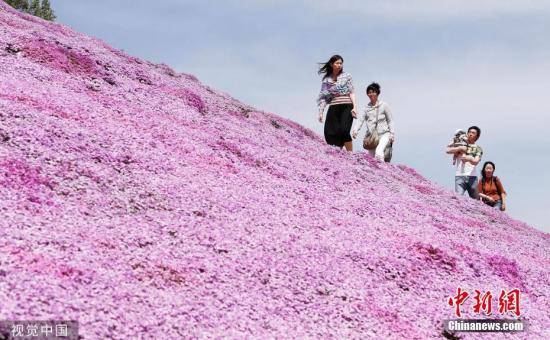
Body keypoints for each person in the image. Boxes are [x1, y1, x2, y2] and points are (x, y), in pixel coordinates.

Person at [317, 55, 358, 151]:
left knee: (344, 130)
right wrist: (321, 112)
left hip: (347, 106)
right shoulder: (327, 80)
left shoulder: (347, 76)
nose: (339, 65)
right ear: (332, 64)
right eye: (337, 63)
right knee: (329, 132)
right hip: (333, 107)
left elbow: (352, 92)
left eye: (341, 63)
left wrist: (355, 107)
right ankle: (338, 155)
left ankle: (350, 155)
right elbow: (324, 97)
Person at [351, 82, 394, 161]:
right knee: (371, 159)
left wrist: (392, 134)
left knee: (378, 152)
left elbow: (390, 120)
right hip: (372, 137)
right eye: (369, 93)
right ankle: (375, 173)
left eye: (373, 92)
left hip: (384, 134)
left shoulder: (384, 105)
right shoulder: (366, 108)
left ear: (377, 93)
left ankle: (383, 171)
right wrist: (355, 130)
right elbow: (360, 120)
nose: (371, 94)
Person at [446, 126, 483, 199]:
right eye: (469, 132)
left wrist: (469, 158)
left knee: (476, 201)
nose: (470, 134)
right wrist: (459, 148)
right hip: (459, 176)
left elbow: (476, 161)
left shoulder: (478, 148)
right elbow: (447, 150)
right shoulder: (461, 144)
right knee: (458, 199)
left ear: (477, 136)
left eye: (473, 133)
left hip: (472, 177)